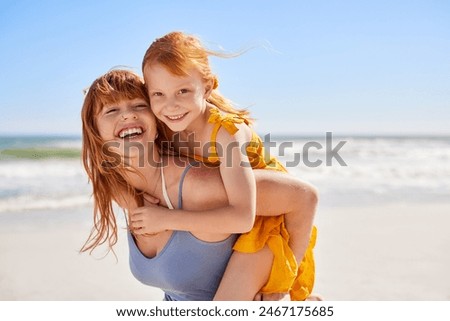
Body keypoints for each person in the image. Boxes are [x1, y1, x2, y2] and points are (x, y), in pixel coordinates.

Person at [81, 69, 318, 300]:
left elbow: (304, 196)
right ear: (95, 131)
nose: (127, 115)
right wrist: (133, 202)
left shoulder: (201, 185)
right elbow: (99, 167)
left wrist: (285, 280)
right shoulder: (121, 184)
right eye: (111, 110)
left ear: (156, 119)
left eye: (139, 106)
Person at [139, 31, 318, 300]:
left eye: (183, 91)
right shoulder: (168, 129)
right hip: (225, 222)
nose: (170, 105)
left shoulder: (225, 134)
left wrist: (166, 218)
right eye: (159, 94)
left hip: (266, 223)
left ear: (208, 87)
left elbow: (244, 217)